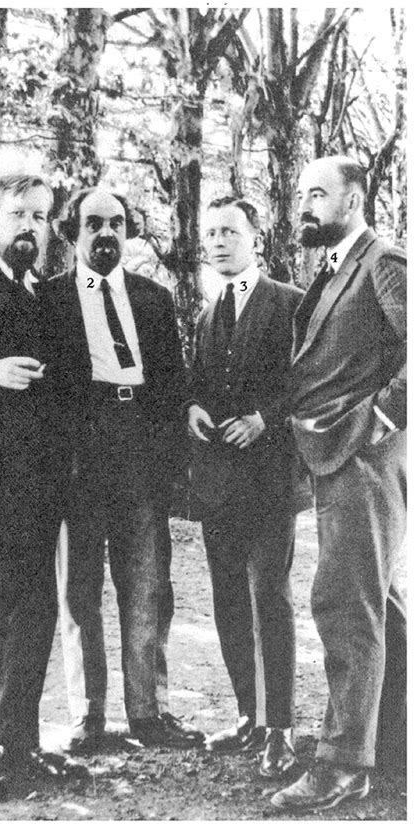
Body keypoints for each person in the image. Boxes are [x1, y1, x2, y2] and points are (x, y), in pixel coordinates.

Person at [271, 156, 406, 812]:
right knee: (377, 603)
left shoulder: (383, 261)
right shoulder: (331, 268)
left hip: (363, 457)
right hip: (335, 456)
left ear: (353, 201)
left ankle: (342, 766)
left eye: (318, 194)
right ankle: (391, 746)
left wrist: (382, 417)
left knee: (344, 605)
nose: (305, 205)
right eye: (303, 193)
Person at [52, 186, 204, 750]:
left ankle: (148, 713)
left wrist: (173, 465)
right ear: (72, 232)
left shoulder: (153, 298)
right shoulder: (50, 299)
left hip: (140, 450)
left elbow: (172, 385)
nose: (106, 234)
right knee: (80, 589)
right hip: (79, 456)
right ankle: (87, 718)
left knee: (147, 586)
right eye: (93, 224)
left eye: (116, 223)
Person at [0, 174, 78, 801]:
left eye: (40, 216)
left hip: (38, 486)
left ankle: (21, 746)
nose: (29, 225)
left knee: (34, 615)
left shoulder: (40, 293)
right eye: (17, 212)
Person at [187, 196, 304, 777]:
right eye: (210, 233)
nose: (218, 242)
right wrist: (192, 406)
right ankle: (248, 716)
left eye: (230, 231)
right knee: (228, 599)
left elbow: (310, 381)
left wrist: (265, 418)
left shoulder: (290, 304)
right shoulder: (207, 315)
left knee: (270, 599)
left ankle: (280, 728)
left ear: (256, 237)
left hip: (270, 482)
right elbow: (199, 383)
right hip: (219, 485)